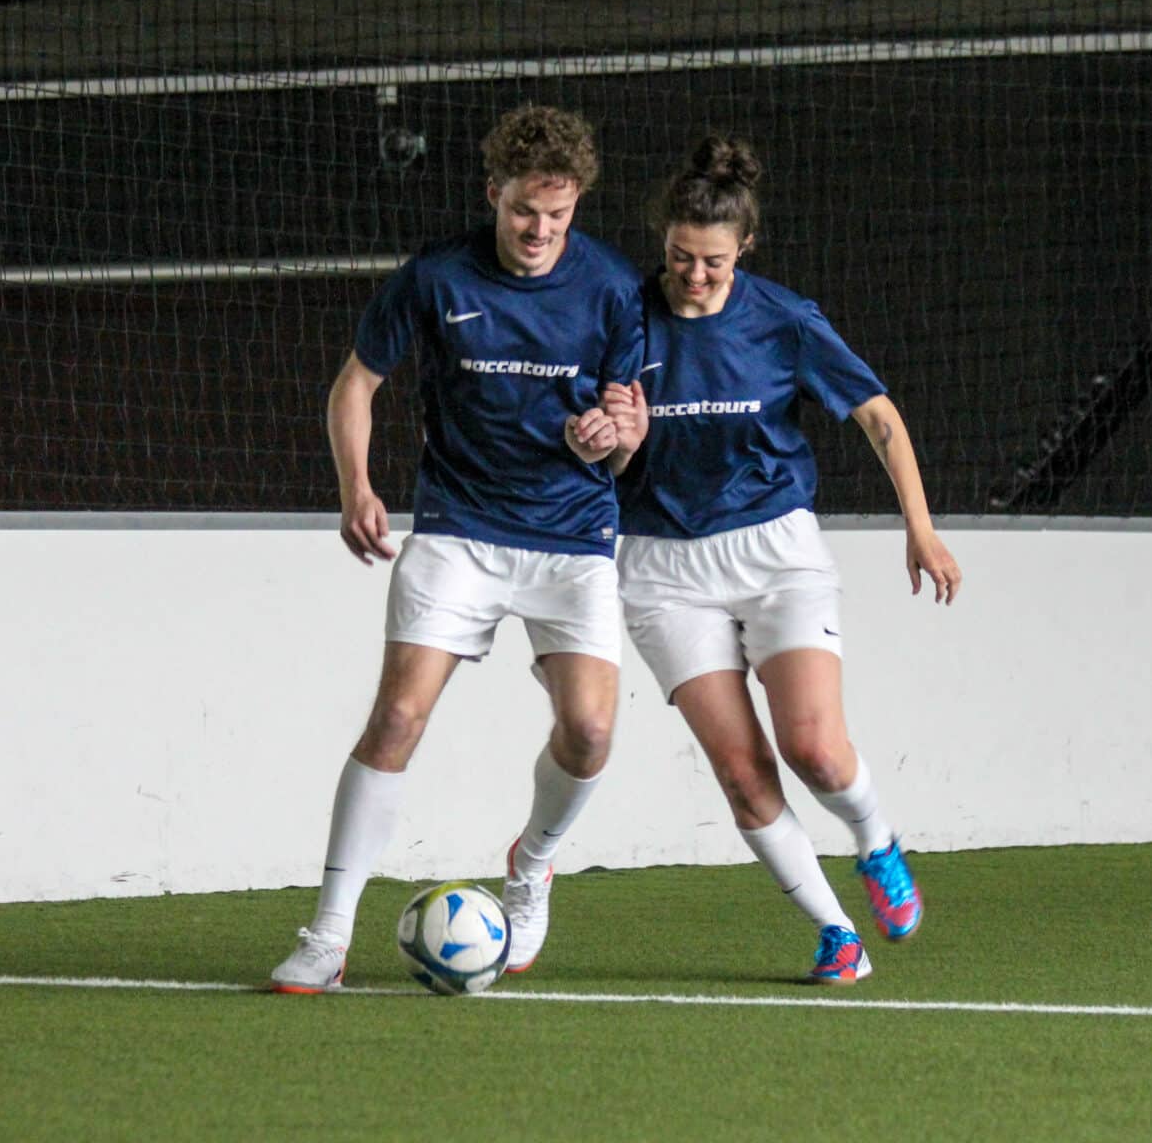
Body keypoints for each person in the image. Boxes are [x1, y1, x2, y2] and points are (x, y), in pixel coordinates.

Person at [271, 104, 647, 993]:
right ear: (495, 195)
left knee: (590, 732)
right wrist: (356, 488)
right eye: (525, 211)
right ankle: (327, 937)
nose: (540, 231)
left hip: (572, 537)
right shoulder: (437, 277)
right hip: (460, 530)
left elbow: (629, 433)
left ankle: (532, 865)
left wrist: (614, 435)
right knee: (398, 716)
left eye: (559, 215)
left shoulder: (612, 287)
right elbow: (355, 385)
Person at [604, 135, 961, 984]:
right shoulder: (622, 317)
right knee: (740, 770)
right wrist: (617, 443)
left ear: (745, 249)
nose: (695, 277)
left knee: (816, 750)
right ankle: (836, 933)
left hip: (774, 552)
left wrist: (921, 525)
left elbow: (879, 416)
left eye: (714, 263)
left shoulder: (784, 320)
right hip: (660, 565)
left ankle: (875, 842)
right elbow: (604, 455)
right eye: (682, 258)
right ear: (663, 244)